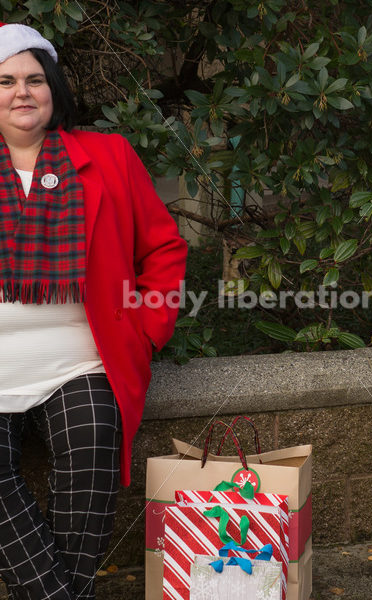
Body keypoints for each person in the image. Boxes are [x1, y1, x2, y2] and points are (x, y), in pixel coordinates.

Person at [0, 22, 187, 599]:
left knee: (93, 459)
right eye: (5, 81)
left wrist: (146, 329)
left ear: (53, 88)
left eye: (34, 78)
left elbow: (164, 248)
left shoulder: (107, 156)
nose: (21, 92)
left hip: (80, 361)